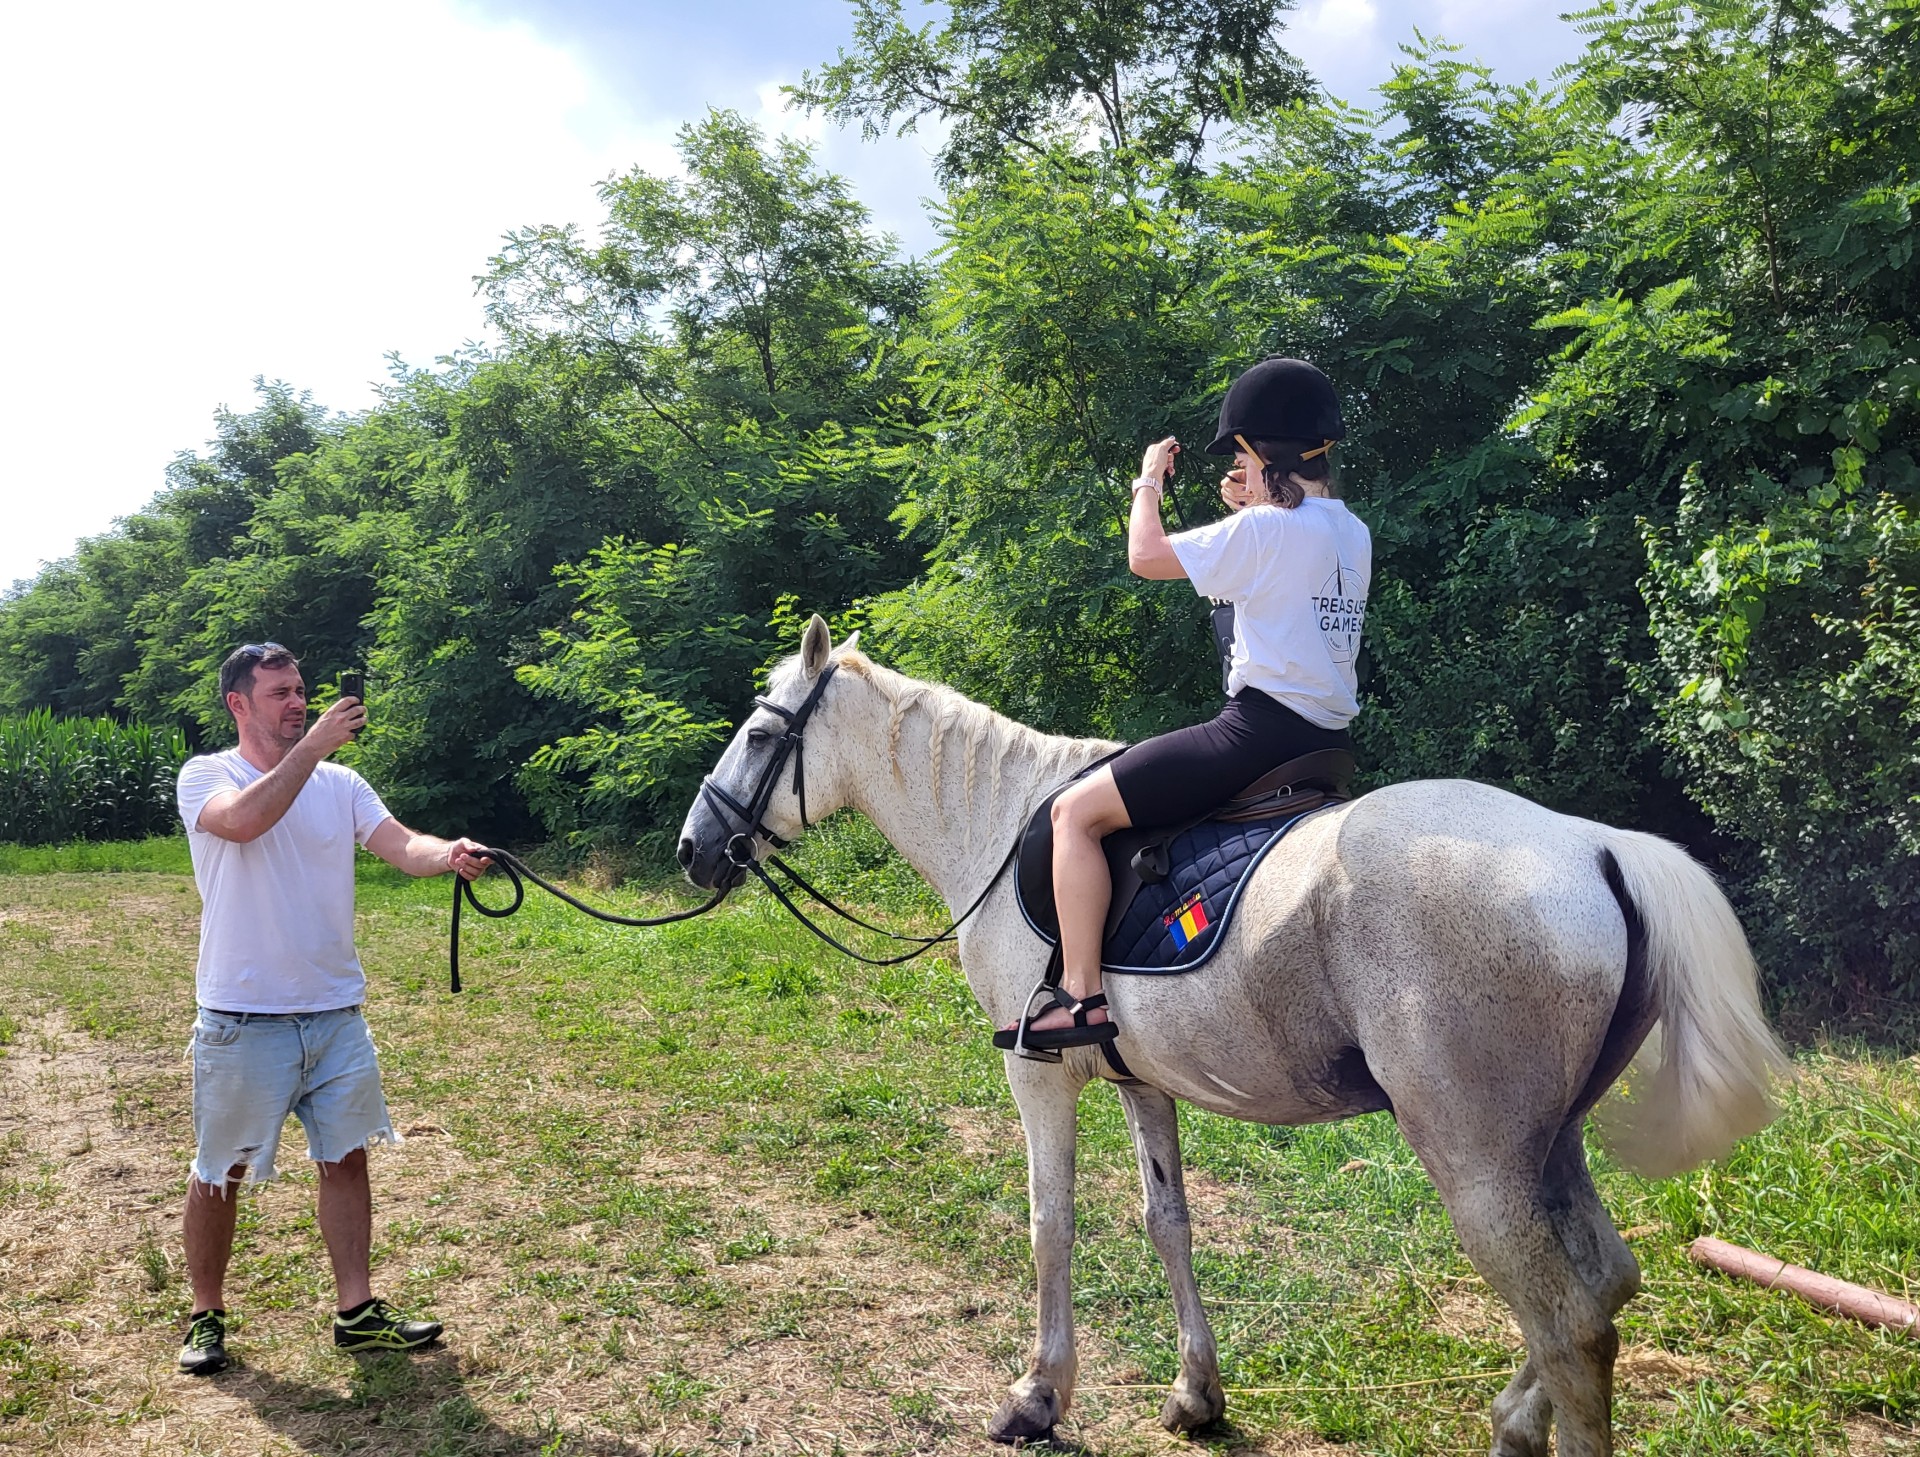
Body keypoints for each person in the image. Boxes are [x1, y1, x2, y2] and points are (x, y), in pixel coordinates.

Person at [995, 357, 1371, 1053]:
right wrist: (1253, 501)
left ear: (1264, 453)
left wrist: (1146, 482)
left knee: (1073, 812)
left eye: (1240, 453)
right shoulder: (1350, 531)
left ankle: (1081, 996)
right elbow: (1281, 566)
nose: (1236, 465)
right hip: (1328, 738)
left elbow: (1145, 555)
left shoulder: (1263, 532)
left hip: (1256, 734)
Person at [172, 642, 491, 1376]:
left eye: (302, 690)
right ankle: (205, 1314)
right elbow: (245, 821)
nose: (297, 702)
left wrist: (448, 853)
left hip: (335, 1011)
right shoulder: (207, 776)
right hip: (243, 1014)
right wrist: (312, 747)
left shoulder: (342, 783)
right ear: (238, 704)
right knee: (222, 1171)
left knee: (345, 1160)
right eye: (280, 692)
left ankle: (357, 1313)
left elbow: (402, 844)